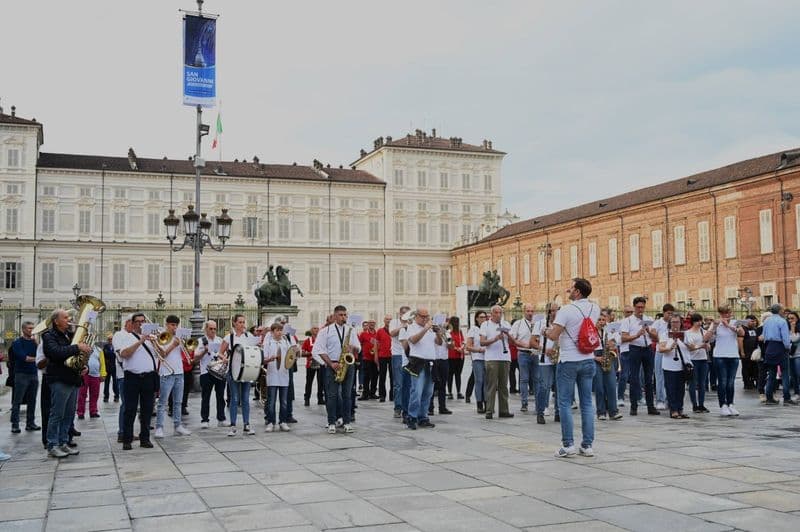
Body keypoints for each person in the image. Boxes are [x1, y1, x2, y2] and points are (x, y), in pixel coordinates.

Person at [546, 278, 600, 458]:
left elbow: (553, 335)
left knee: (564, 403)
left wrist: (546, 330)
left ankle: (568, 444)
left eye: (571, 288)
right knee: (587, 403)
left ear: (577, 292)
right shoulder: (595, 308)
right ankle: (587, 445)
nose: (568, 291)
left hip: (569, 359)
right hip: (588, 358)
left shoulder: (566, 310)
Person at [42, 309, 91, 458]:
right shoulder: (49, 335)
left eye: (68, 317)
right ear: (56, 321)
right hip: (59, 379)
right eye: (65, 317)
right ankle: (52, 444)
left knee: (69, 415)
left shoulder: (70, 335)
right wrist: (77, 347)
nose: (69, 319)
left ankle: (63, 442)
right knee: (57, 413)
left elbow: (76, 356)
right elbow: (55, 352)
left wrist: (83, 366)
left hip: (73, 378)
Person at [311, 305, 361, 434]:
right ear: (334, 316)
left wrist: (352, 348)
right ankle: (331, 422)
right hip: (332, 364)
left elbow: (358, 348)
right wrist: (330, 364)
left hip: (348, 365)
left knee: (347, 395)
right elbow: (318, 350)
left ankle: (347, 422)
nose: (344, 317)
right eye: (341, 315)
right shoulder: (325, 331)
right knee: (332, 395)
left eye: (345, 315)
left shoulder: (350, 330)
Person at [119, 313, 159, 450]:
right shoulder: (127, 337)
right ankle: (127, 439)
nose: (141, 324)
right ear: (133, 323)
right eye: (138, 321)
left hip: (149, 377)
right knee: (130, 409)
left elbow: (163, 354)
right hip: (132, 378)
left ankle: (145, 438)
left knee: (147, 410)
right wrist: (141, 341)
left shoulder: (152, 339)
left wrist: (155, 342)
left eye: (143, 321)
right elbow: (124, 354)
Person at [218, 314, 257, 436]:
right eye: (240, 322)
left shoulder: (249, 336)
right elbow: (220, 352)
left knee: (245, 399)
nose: (242, 324)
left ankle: (246, 424)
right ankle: (233, 425)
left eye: (243, 322)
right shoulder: (229, 337)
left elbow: (254, 351)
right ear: (234, 323)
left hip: (246, 371)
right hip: (233, 371)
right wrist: (224, 358)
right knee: (234, 398)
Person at [620, 297, 659, 416]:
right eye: (638, 307)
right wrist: (636, 335)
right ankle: (634, 406)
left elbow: (656, 338)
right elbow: (623, 338)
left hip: (648, 349)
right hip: (634, 349)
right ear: (634, 307)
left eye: (642, 307)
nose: (640, 309)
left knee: (649, 378)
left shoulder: (649, 319)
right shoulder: (628, 320)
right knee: (634, 378)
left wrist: (649, 331)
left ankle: (651, 406)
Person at [154, 315, 191, 438]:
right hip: (166, 373)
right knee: (162, 402)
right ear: (167, 325)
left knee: (178, 402)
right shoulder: (162, 337)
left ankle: (178, 425)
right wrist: (173, 345)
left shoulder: (178, 337)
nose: (174, 327)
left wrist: (185, 343)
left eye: (176, 325)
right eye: (172, 325)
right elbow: (162, 354)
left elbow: (188, 352)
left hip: (179, 372)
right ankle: (159, 427)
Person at [405, 306, 441, 429]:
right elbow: (413, 340)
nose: (425, 319)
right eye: (423, 316)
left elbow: (439, 343)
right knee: (416, 391)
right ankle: (411, 416)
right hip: (418, 362)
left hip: (431, 362)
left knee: (428, 392)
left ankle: (423, 417)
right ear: (416, 316)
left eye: (427, 316)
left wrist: (439, 333)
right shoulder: (411, 327)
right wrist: (425, 329)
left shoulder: (430, 329)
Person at [480, 305, 514, 420]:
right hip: (491, 358)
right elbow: (482, 342)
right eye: (496, 313)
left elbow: (512, 341)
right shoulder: (485, 325)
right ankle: (489, 410)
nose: (499, 315)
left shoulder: (506, 324)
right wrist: (496, 338)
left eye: (500, 313)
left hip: (505, 357)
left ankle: (504, 410)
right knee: (492, 385)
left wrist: (507, 334)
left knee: (504, 385)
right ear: (491, 314)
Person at [658, 315, 692, 419]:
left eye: (677, 322)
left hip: (682, 365)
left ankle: (680, 409)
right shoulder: (665, 334)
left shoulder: (685, 334)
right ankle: (673, 410)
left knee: (681, 389)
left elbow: (692, 347)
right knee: (671, 388)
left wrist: (683, 340)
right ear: (670, 323)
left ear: (680, 323)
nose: (675, 324)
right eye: (673, 322)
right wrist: (669, 347)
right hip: (669, 365)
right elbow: (661, 349)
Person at [10, 321, 41, 434]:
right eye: (29, 328)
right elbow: (24, 358)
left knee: (32, 400)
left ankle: (30, 423)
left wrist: (37, 344)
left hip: (33, 374)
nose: (31, 330)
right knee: (17, 401)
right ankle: (15, 424)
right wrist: (37, 359)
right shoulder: (17, 343)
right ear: (23, 329)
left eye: (32, 328)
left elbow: (42, 354)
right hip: (21, 374)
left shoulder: (34, 343)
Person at [713, 305, 745, 415]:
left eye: (728, 313)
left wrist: (729, 326)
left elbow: (742, 333)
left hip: (733, 355)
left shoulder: (735, 322)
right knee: (722, 381)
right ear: (720, 314)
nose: (726, 315)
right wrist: (715, 326)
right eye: (724, 313)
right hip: (720, 355)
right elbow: (708, 338)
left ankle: (731, 404)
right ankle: (723, 405)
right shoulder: (717, 323)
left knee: (731, 382)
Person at [196, 320, 227, 428]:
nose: (213, 331)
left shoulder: (220, 340)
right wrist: (204, 351)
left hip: (219, 371)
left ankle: (221, 418)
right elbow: (196, 358)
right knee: (205, 397)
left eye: (215, 329)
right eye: (211, 329)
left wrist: (223, 357)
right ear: (206, 329)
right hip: (206, 372)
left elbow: (225, 355)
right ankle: (204, 420)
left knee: (220, 396)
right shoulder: (201, 341)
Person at [761, 304, 793, 406]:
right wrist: (788, 347)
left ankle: (769, 397)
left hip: (769, 346)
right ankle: (787, 398)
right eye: (782, 309)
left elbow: (764, 335)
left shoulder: (767, 321)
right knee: (785, 373)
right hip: (780, 346)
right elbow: (785, 337)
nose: (783, 311)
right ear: (779, 311)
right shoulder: (782, 321)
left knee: (771, 373)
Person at [510, 304, 539, 413]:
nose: (530, 313)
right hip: (523, 353)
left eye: (532, 311)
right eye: (528, 311)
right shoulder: (518, 324)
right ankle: (524, 403)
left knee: (537, 379)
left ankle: (538, 403)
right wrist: (522, 344)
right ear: (524, 311)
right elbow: (512, 338)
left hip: (535, 354)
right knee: (524, 379)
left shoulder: (538, 323)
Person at [263, 322, 291, 432]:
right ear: (272, 332)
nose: (279, 332)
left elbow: (291, 356)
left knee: (284, 401)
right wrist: (270, 359)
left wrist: (296, 353)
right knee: (271, 401)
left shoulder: (286, 342)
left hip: (284, 374)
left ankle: (283, 421)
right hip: (272, 375)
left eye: (281, 330)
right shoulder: (268, 343)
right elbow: (263, 359)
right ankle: (271, 422)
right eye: (277, 330)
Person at [533, 303, 558, 424]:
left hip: (559, 358)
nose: (554, 313)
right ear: (547, 311)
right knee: (544, 386)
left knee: (559, 387)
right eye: (552, 311)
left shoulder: (560, 324)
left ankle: (558, 412)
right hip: (545, 359)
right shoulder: (540, 323)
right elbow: (532, 342)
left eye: (556, 310)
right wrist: (544, 349)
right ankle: (540, 412)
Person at [594, 311, 621, 421]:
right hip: (596, 356)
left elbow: (618, 339)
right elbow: (586, 346)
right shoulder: (591, 331)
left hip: (608, 355)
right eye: (599, 320)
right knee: (599, 387)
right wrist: (595, 358)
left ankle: (613, 412)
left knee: (611, 385)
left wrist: (613, 343)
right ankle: (601, 412)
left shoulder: (609, 330)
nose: (601, 322)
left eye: (603, 320)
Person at [684, 313, 713, 413]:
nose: (699, 323)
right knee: (693, 382)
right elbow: (690, 347)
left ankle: (701, 404)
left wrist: (707, 346)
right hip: (693, 359)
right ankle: (694, 405)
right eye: (697, 321)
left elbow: (708, 344)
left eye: (700, 321)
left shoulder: (703, 332)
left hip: (703, 359)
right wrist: (701, 346)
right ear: (693, 322)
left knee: (702, 383)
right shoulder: (688, 333)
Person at [111, 316, 133, 443]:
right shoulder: (119, 335)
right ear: (128, 323)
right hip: (124, 375)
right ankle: (122, 432)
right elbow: (121, 354)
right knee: (125, 404)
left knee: (132, 405)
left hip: (134, 375)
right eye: (136, 322)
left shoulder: (135, 335)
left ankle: (128, 432)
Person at [650, 304, 675, 410]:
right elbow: (652, 334)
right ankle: (660, 400)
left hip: (671, 352)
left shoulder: (673, 322)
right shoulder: (658, 322)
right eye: (668, 313)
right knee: (659, 376)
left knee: (670, 377)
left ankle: (669, 399)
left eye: (672, 314)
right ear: (664, 312)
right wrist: (661, 339)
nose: (670, 316)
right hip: (660, 351)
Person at [389, 306, 411, 418]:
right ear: (400, 314)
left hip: (409, 355)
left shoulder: (412, 323)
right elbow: (392, 333)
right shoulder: (394, 322)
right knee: (398, 383)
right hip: (397, 354)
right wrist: (403, 326)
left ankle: (407, 407)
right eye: (404, 313)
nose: (406, 315)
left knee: (409, 383)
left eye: (408, 313)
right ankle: (398, 407)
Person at [76, 341, 106, 420]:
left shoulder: (99, 350)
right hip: (84, 374)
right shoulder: (81, 348)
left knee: (95, 394)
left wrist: (103, 373)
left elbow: (102, 363)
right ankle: (80, 412)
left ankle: (93, 411)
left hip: (95, 374)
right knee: (82, 394)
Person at [465, 311, 488, 412]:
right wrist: (478, 350)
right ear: (476, 318)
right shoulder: (473, 329)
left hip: (488, 358)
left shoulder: (488, 328)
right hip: (477, 357)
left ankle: (487, 402)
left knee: (487, 381)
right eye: (481, 317)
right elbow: (468, 346)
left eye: (485, 317)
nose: (483, 319)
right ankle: (479, 403)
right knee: (479, 380)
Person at [430, 317, 452, 415]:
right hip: (434, 360)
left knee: (443, 384)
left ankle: (442, 407)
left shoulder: (447, 333)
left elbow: (451, 347)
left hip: (444, 360)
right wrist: (438, 334)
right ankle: (430, 408)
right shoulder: (430, 333)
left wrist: (448, 340)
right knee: (432, 385)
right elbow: (438, 342)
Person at [302, 326, 325, 406]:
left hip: (320, 363)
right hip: (310, 364)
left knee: (321, 382)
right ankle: (307, 399)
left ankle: (320, 399)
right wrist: (310, 354)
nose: (316, 330)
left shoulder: (322, 340)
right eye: (314, 328)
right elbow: (302, 353)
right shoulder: (307, 341)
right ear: (311, 331)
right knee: (309, 382)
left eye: (317, 329)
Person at [617, 305, 634, 407]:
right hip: (625, 351)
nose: (630, 314)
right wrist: (631, 337)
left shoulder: (636, 323)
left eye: (631, 312)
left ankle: (638, 397)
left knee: (636, 376)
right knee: (624, 375)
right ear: (624, 313)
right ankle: (620, 397)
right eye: (628, 312)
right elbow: (619, 340)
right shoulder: (620, 324)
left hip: (636, 350)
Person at [358, 320, 379, 400]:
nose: (372, 324)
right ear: (368, 325)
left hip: (375, 358)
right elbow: (359, 343)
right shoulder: (363, 334)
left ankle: (372, 393)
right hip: (366, 358)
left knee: (375, 376)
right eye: (370, 323)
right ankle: (365, 394)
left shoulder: (377, 333)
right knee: (366, 377)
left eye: (373, 323)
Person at [446, 316, 465, 400]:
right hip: (451, 356)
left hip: (460, 356)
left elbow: (463, 341)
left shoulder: (460, 331)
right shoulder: (448, 332)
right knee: (450, 375)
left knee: (458, 375)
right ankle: (450, 392)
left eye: (457, 321)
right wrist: (457, 349)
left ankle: (459, 392)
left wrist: (462, 347)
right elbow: (448, 343)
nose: (456, 323)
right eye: (454, 322)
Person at [739, 315, 760, 390]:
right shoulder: (743, 329)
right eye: (752, 321)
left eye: (755, 321)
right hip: (746, 352)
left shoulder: (755, 329)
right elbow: (740, 341)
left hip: (754, 353)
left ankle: (754, 381)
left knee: (755, 368)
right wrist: (742, 352)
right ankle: (747, 383)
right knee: (746, 368)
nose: (754, 323)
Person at [376, 315, 393, 402]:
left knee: (393, 376)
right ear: (384, 320)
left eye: (390, 319)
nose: (388, 321)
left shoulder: (394, 330)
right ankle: (382, 395)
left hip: (392, 356)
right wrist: (376, 356)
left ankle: (392, 395)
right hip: (382, 356)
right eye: (387, 319)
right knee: (382, 376)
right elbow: (376, 344)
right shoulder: (379, 331)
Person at [102, 334, 119, 402]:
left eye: (111, 339)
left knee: (115, 383)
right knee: (106, 383)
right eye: (109, 339)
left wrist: (112, 353)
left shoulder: (116, 346)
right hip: (107, 367)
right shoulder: (105, 346)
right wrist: (113, 353)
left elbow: (116, 355)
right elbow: (106, 354)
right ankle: (106, 397)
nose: (110, 340)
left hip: (114, 367)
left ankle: (116, 396)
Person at [787, 311, 800, 401]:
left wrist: (792, 328)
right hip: (789, 355)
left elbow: (794, 339)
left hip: (798, 355)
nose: (790, 320)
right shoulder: (786, 328)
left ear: (797, 319)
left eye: (792, 318)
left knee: (798, 374)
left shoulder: (798, 328)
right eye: (789, 318)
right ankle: (796, 392)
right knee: (793, 376)